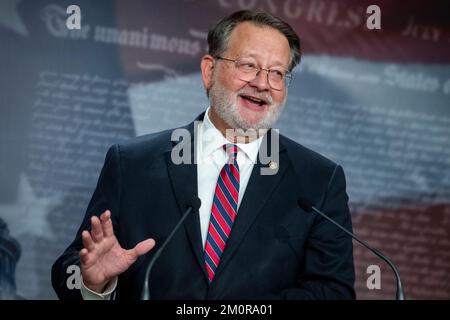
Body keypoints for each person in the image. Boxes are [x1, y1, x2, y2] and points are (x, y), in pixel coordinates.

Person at [52, 10, 355, 300]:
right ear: (209, 70)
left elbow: (334, 291)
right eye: (248, 65)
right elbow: (72, 268)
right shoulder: (132, 164)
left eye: (277, 73)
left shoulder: (318, 181)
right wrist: (95, 283)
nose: (262, 83)